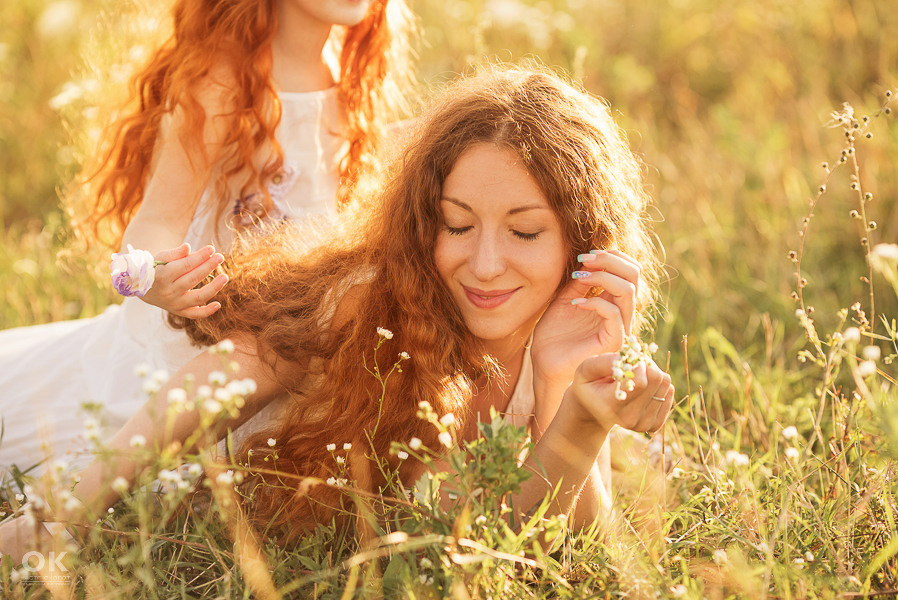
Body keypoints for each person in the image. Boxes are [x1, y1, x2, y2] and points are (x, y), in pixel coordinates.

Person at [0, 65, 673, 559]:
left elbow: (561, 541)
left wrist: (571, 393)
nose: (487, 263)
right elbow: (226, 378)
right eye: (456, 224)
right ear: (420, 221)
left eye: (524, 232)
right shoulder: (373, 299)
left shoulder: (569, 330)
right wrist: (55, 517)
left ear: (581, 239)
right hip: (102, 420)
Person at [0, 0, 416, 472]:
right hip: (189, 351)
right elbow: (156, 219)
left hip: (283, 343)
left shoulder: (356, 74)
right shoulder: (225, 81)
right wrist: (149, 275)